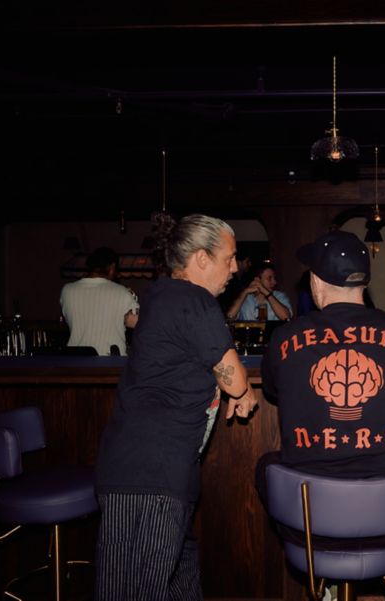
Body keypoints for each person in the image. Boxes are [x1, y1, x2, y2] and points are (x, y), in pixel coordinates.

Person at [256, 230, 385, 601]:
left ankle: (325, 582)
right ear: (364, 282)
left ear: (316, 280)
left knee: (267, 466)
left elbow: (274, 391)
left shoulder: (285, 338)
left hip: (312, 525)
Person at [94, 214, 259, 601]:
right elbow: (233, 378)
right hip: (148, 475)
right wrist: (243, 390)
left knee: (178, 586)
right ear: (201, 259)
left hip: (162, 472)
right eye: (229, 258)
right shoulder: (192, 299)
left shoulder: (165, 294)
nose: (235, 269)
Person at [60, 247, 139, 356]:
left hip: (74, 361)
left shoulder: (67, 291)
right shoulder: (122, 292)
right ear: (112, 267)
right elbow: (139, 324)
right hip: (110, 363)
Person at [226, 261, 292, 321]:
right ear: (257, 280)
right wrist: (244, 292)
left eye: (274, 278)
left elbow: (286, 318)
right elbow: (229, 318)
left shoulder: (279, 296)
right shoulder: (245, 298)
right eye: (269, 278)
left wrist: (267, 293)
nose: (274, 282)